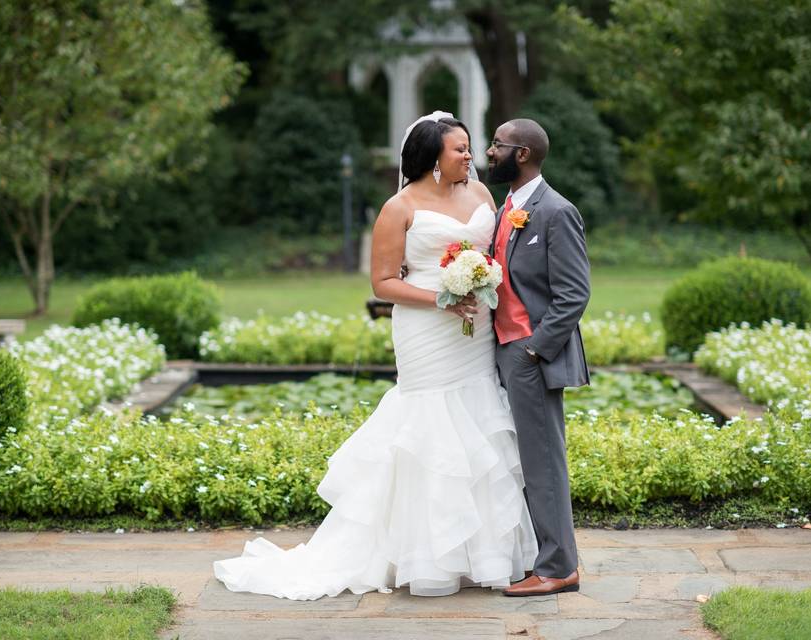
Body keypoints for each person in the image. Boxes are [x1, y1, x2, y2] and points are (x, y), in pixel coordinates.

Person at [213, 112, 537, 600]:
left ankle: (483, 554)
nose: (470, 156)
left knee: (478, 420)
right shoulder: (399, 207)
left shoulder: (482, 196)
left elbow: (493, 255)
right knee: (429, 427)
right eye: (459, 149)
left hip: (477, 332)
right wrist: (443, 299)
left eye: (470, 147)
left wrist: (481, 282)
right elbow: (383, 282)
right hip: (428, 329)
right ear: (432, 159)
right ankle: (422, 557)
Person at [485, 118, 591, 597]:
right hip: (501, 352)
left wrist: (533, 350)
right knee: (520, 460)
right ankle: (537, 557)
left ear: (521, 153)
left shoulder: (556, 211)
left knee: (543, 461)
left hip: (531, 357)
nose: (489, 152)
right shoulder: (508, 207)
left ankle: (558, 567)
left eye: (497, 145)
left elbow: (574, 294)